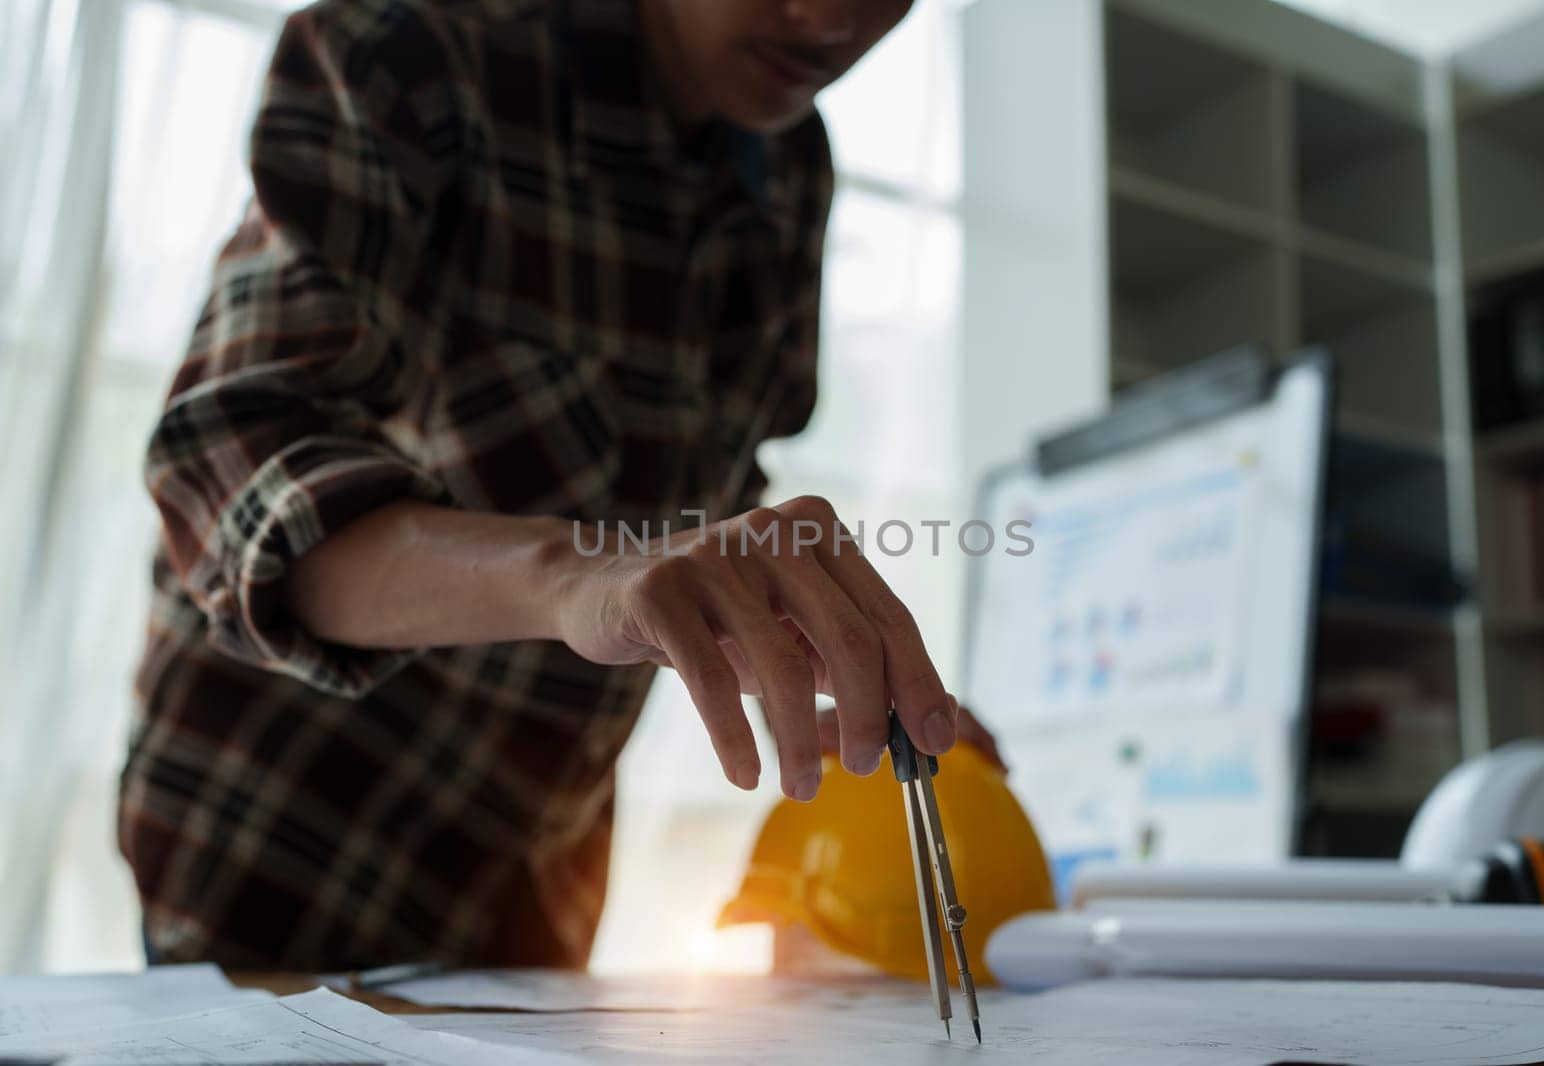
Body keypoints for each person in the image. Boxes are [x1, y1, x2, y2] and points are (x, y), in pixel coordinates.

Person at [122, 0, 998, 971]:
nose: (828, 17)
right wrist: (575, 575)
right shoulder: (410, 50)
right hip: (283, 828)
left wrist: (824, 667)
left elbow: (709, 487)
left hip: (541, 871)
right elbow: (234, 463)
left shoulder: (789, 166)